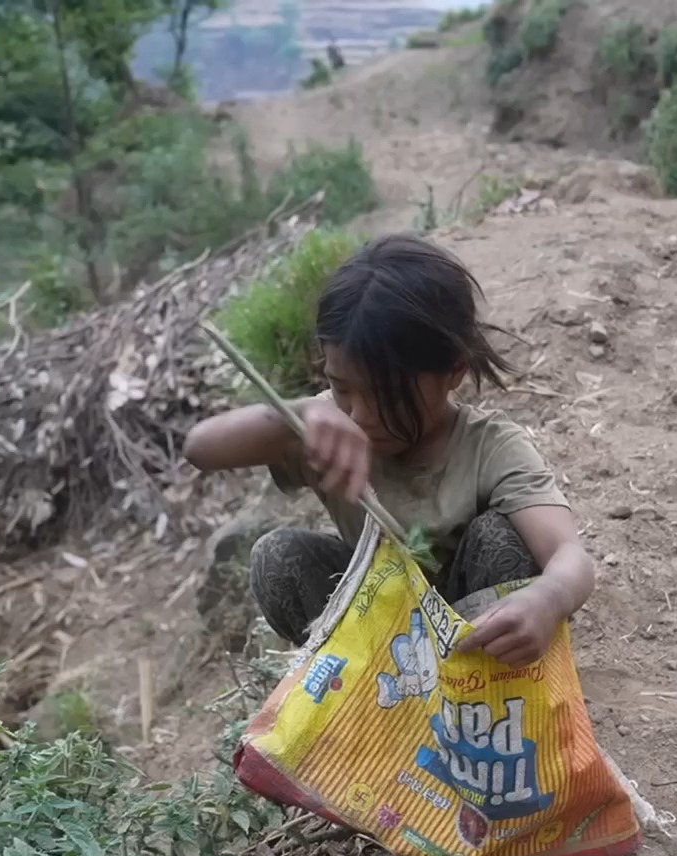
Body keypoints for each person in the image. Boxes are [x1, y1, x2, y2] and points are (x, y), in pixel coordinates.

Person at [183, 234, 594, 668]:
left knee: (501, 540)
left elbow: (569, 556)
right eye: (342, 388)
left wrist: (547, 600)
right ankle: (357, 701)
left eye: (387, 396)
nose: (360, 415)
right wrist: (299, 414)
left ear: (453, 369)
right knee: (277, 556)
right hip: (376, 643)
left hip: (477, 643)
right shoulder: (325, 429)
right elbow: (200, 448)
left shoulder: (490, 447)